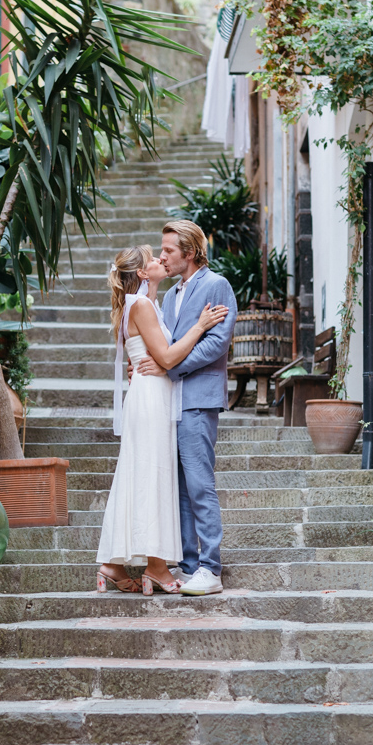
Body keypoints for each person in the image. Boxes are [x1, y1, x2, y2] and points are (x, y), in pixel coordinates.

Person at [96, 244, 229, 595]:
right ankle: (155, 565)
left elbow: (159, 351)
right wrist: (200, 324)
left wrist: (158, 361)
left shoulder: (149, 302)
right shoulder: (142, 304)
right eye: (154, 257)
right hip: (152, 398)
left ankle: (116, 563)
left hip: (157, 394)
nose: (160, 260)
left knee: (145, 473)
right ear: (142, 273)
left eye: (165, 252)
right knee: (152, 473)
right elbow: (168, 355)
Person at [135, 220, 237, 595]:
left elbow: (217, 344)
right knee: (177, 488)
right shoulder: (169, 296)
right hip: (168, 401)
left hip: (197, 399)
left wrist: (170, 366)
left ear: (190, 253)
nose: (161, 256)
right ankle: (190, 564)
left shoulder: (216, 285)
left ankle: (211, 567)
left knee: (199, 484)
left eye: (168, 251)